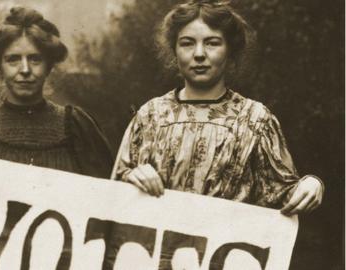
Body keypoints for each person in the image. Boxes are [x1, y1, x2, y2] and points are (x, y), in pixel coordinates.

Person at [112, 0, 324, 215]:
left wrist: (310, 185)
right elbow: (113, 193)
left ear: (230, 51)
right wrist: (131, 176)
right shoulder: (150, 116)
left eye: (212, 43)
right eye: (187, 43)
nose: (199, 54)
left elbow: (281, 194)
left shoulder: (255, 119)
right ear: (174, 51)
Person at [0, 6, 113, 241]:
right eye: (13, 59)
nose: (24, 70)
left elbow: (110, 210)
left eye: (35, 59)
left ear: (49, 66)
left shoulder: (76, 127)